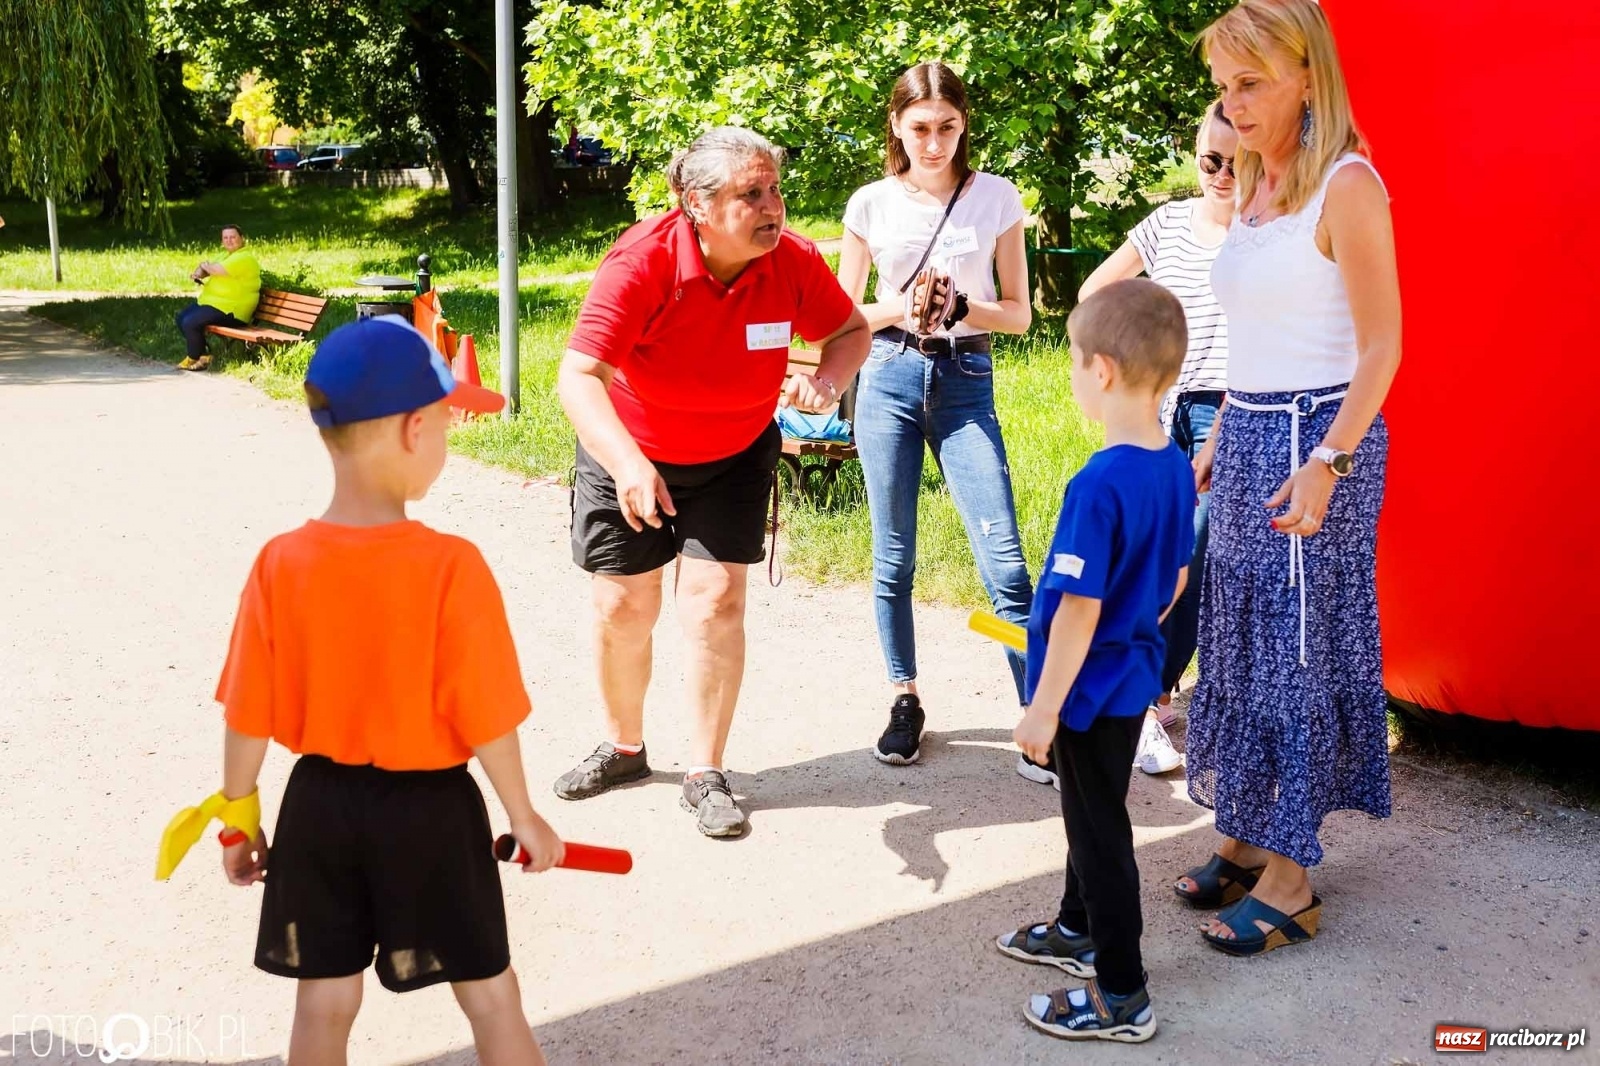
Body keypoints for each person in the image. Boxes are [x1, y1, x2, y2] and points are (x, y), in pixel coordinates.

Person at [211, 317, 565, 1063]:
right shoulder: (450, 566)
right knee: (489, 992)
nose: (446, 438)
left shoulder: (280, 563)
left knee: (325, 1000)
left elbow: (248, 709)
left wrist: (240, 818)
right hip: (431, 811)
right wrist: (524, 815)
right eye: (445, 422)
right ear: (413, 430)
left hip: (319, 809)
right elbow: (487, 712)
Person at [552, 126, 870, 838]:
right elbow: (578, 377)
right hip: (630, 450)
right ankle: (624, 746)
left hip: (732, 454)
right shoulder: (641, 263)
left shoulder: (790, 261)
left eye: (774, 190)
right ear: (694, 203)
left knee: (716, 602)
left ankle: (705, 771)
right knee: (622, 609)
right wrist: (629, 464)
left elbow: (849, 331)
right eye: (750, 194)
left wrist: (826, 379)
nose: (772, 207)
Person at [1175, 0, 1402, 957]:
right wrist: (1224, 424)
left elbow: (1384, 345)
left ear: (1308, 74)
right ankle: (1244, 824)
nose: (1232, 109)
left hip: (1318, 442)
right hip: (1252, 433)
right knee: (1236, 640)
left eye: (1251, 84)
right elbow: (1261, 330)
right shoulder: (1261, 185)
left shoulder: (1347, 185)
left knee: (1296, 650)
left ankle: (1293, 879)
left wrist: (1327, 462)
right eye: (1224, 89)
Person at [999, 279, 1194, 1044]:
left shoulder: (1098, 484)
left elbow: (1078, 610)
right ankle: (1078, 929)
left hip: (1085, 692)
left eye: (1075, 361)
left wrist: (1042, 705)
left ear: (1102, 370)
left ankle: (1121, 996)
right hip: (1132, 679)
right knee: (1094, 816)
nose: (1074, 375)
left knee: (1099, 834)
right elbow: (1174, 578)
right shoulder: (1172, 463)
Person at [836, 62, 1035, 769]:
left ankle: (1035, 714)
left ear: (964, 124)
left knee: (1005, 564)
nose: (934, 143)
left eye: (947, 127)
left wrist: (960, 309)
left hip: (964, 377)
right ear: (896, 125)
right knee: (894, 557)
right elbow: (842, 316)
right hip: (887, 373)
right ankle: (904, 697)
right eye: (919, 128)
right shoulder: (870, 204)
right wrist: (908, 305)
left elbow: (1020, 313)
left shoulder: (997, 198)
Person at [1078, 101, 1238, 776]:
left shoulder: (1262, 230)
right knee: (1149, 551)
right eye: (1211, 160)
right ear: (1194, 154)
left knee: (1191, 555)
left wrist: (1218, 435)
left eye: (1239, 162)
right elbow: (1094, 292)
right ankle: (1145, 693)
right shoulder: (1168, 221)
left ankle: (1145, 696)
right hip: (1156, 403)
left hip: (1223, 408)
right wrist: (1113, 374)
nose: (1224, 175)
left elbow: (1260, 346)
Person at [176, 223, 261, 372]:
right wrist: (199, 272)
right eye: (225, 238)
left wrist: (204, 266)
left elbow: (216, 269)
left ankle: (193, 357)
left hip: (233, 310)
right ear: (222, 241)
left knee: (190, 322)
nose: (229, 240)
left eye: (233, 237)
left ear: (242, 239)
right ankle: (204, 356)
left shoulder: (244, 258)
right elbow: (206, 269)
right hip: (216, 304)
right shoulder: (225, 255)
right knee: (181, 318)